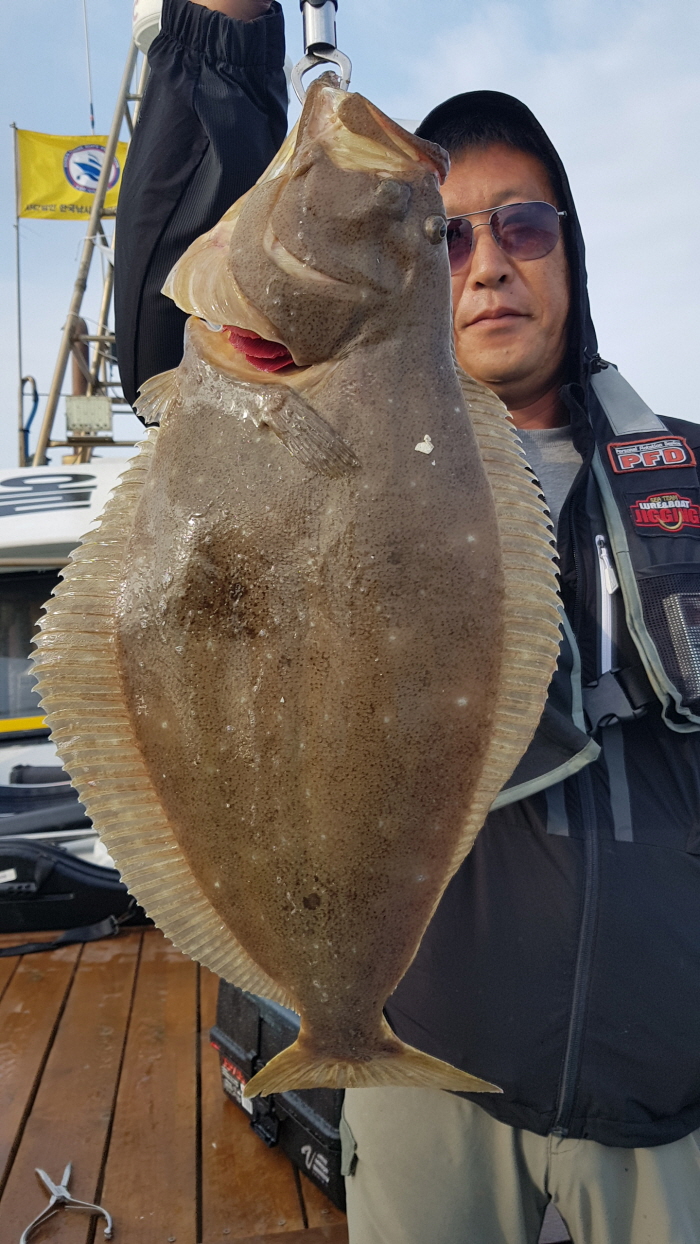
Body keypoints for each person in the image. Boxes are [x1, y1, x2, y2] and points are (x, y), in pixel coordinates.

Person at [114, 3, 700, 1241]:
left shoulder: (684, 475)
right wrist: (225, 31)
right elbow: (173, 294)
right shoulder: (256, 386)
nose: (486, 263)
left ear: (571, 253)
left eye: (522, 226)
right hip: (435, 1063)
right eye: (443, 233)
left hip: (672, 1086)